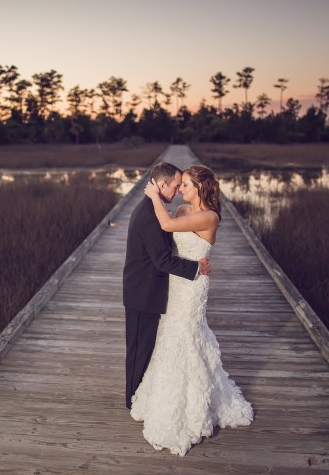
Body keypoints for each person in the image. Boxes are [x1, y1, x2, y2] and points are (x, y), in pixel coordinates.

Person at [130, 164, 253, 456]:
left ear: (199, 188)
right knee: (170, 334)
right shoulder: (184, 211)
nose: (180, 190)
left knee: (187, 335)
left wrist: (154, 197)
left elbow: (167, 226)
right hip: (178, 280)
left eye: (185, 185)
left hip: (194, 286)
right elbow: (167, 240)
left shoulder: (210, 216)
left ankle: (193, 407)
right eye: (179, 185)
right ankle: (161, 397)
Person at [122, 162, 211, 411]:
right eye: (175, 186)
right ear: (161, 185)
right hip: (142, 292)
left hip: (145, 289)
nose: (177, 191)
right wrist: (196, 268)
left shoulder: (153, 208)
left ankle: (138, 395)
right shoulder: (150, 215)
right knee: (139, 349)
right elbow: (162, 260)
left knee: (144, 346)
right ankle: (132, 401)